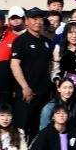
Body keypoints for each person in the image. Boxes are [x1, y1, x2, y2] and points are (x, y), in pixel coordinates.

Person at [10, 8, 54, 139]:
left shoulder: (46, 42)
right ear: (26, 21)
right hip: (26, 93)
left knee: (38, 129)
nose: (38, 22)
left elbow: (50, 66)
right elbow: (14, 65)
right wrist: (25, 87)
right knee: (22, 129)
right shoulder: (20, 41)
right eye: (34, 19)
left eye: (40, 19)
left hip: (43, 93)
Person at [51, 21, 76, 86]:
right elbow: (55, 69)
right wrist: (57, 79)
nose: (74, 36)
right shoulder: (59, 49)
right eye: (70, 32)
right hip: (64, 86)